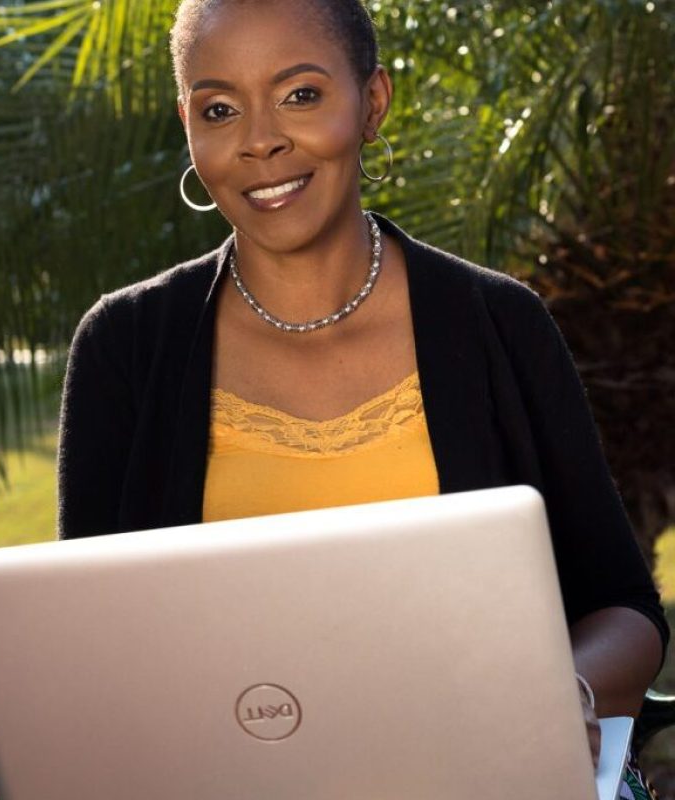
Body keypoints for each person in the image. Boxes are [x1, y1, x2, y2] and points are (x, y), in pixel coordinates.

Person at [57, 0, 668, 794]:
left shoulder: (498, 323)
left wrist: (563, 695)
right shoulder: (124, 347)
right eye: (219, 110)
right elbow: (87, 647)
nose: (260, 140)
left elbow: (624, 609)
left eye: (300, 95)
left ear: (372, 101)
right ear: (188, 126)